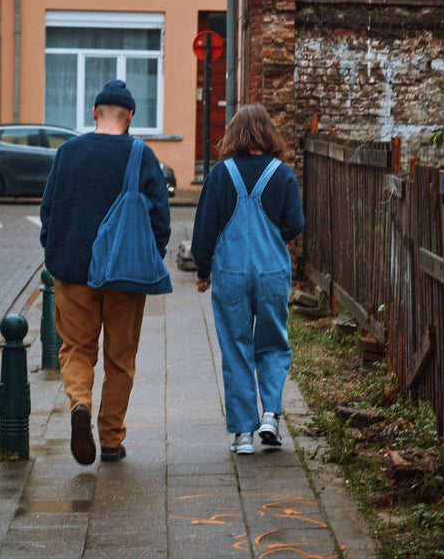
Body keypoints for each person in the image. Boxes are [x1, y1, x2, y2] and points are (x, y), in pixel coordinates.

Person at [40, 80, 171, 465]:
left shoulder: (68, 152)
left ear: (94, 112)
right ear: (130, 116)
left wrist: (55, 251)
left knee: (77, 349)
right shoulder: (141, 155)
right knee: (120, 358)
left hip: (73, 271)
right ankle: (111, 439)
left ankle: (79, 404)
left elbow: (48, 210)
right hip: (125, 275)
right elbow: (161, 220)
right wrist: (150, 257)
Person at [191, 104, 304, 455]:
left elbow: (204, 229)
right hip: (272, 274)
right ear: (268, 133)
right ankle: (270, 415)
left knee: (236, 348)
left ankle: (243, 434)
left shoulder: (220, 175)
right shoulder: (283, 175)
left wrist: (203, 270)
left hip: (231, 274)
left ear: (234, 134)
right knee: (273, 343)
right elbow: (294, 225)